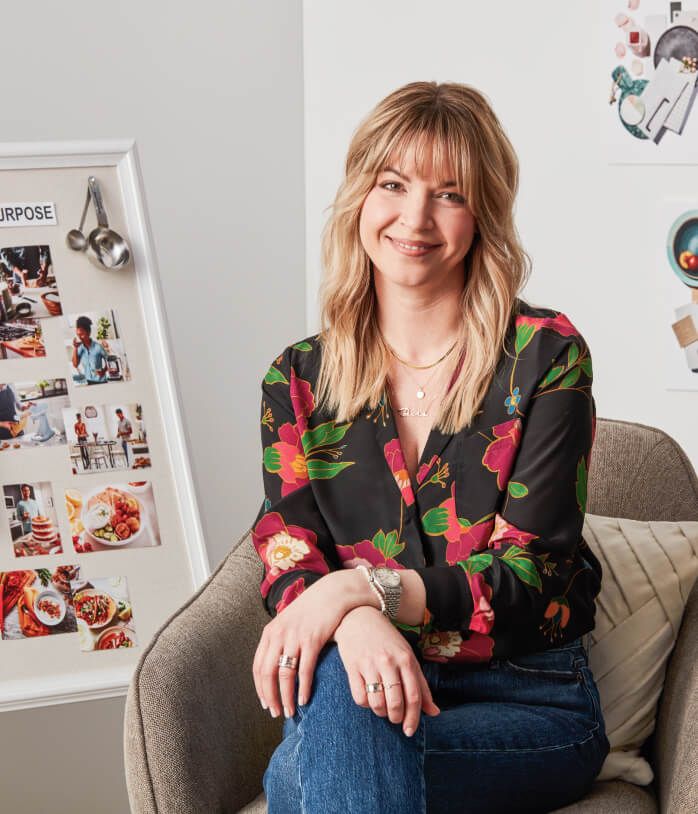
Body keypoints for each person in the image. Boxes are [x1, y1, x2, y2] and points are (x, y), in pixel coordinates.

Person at [252, 81, 610, 814]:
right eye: (392, 184)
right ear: (360, 196)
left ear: (483, 216)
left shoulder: (545, 356)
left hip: (527, 700)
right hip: (359, 686)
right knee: (342, 723)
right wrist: (353, 614)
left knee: (299, 782)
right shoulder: (297, 379)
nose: (414, 218)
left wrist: (363, 587)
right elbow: (289, 554)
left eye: (448, 194)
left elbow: (531, 576)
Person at [71, 316, 108, 384]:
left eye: (82, 334)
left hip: (101, 381)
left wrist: (104, 371)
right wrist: (75, 348)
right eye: (78, 335)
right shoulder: (79, 348)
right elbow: (75, 365)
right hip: (89, 382)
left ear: (89, 333)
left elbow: (109, 361)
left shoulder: (98, 347)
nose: (79, 337)